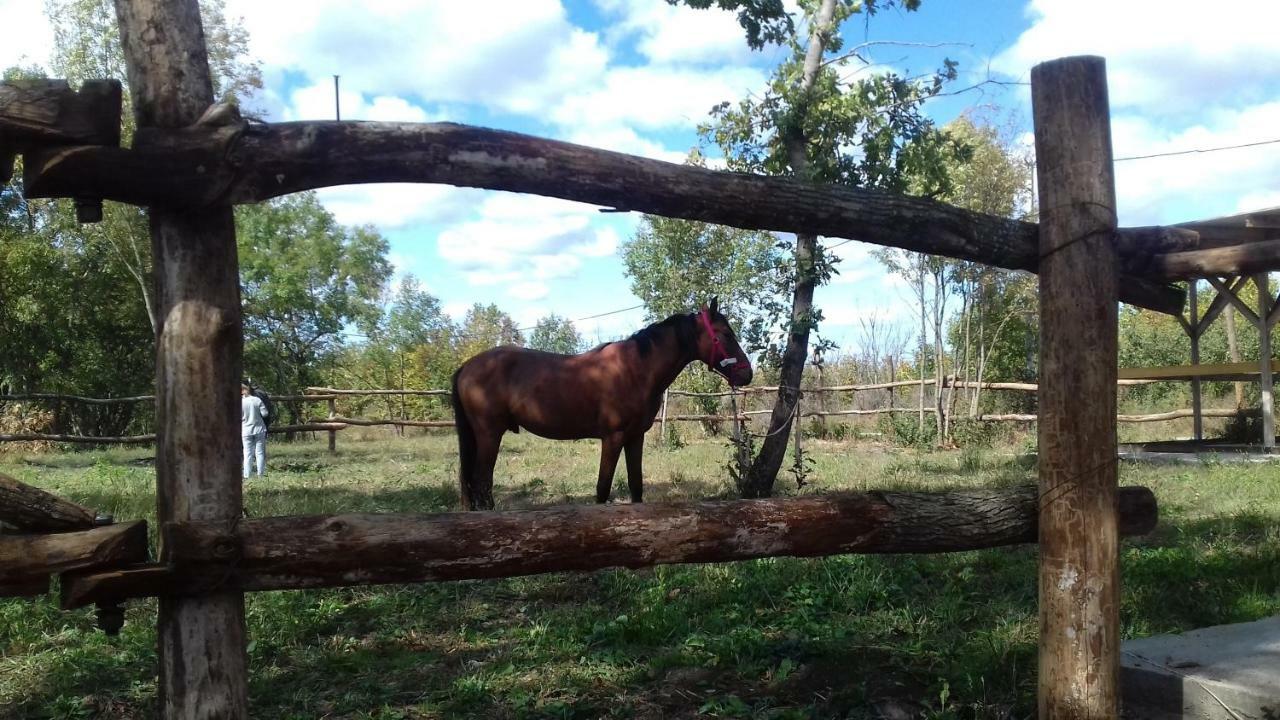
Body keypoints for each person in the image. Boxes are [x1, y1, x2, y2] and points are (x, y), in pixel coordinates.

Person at [241, 383, 269, 478]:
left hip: (246, 430)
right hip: (259, 429)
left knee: (247, 453)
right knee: (260, 453)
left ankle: (247, 474)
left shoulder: (241, 402)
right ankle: (260, 474)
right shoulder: (257, 400)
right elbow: (265, 414)